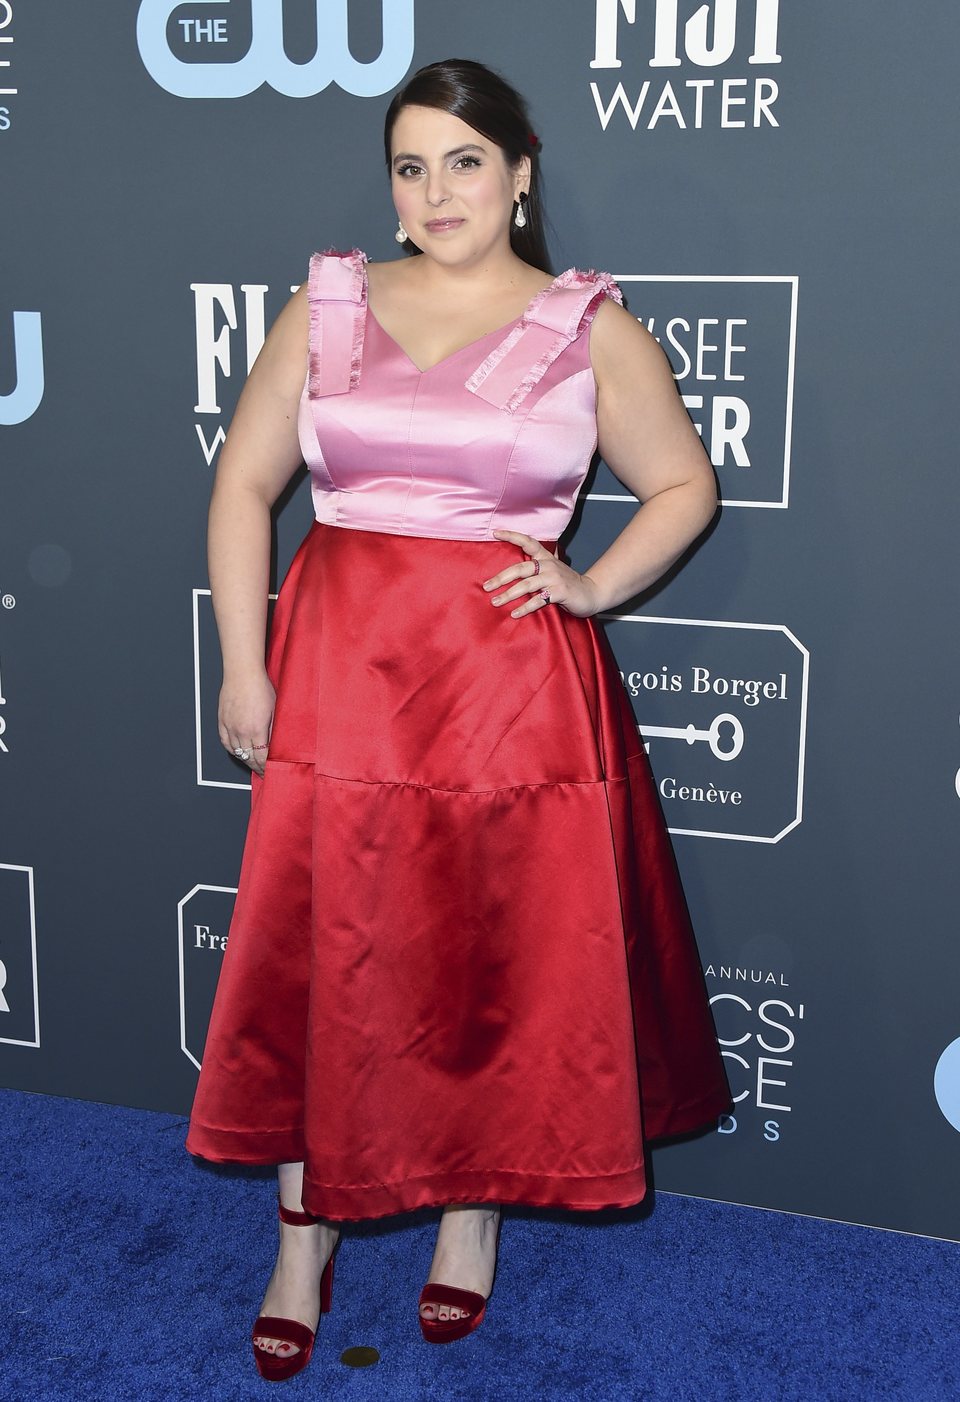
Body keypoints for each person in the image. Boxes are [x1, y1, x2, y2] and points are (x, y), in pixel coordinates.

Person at [185, 56, 731, 1381]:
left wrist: (590, 584)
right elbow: (245, 487)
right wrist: (246, 666)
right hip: (340, 685)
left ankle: (468, 1216)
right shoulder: (328, 305)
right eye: (410, 167)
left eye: (465, 162)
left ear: (523, 170)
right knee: (330, 958)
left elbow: (682, 485)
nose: (436, 192)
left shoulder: (586, 321)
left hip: (510, 697)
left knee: (490, 956)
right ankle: (302, 1238)